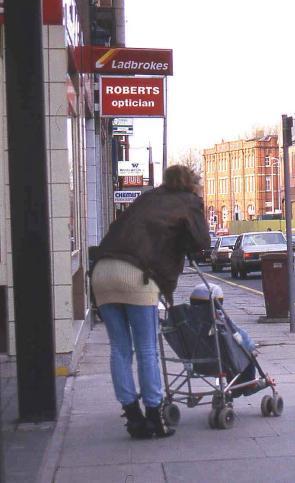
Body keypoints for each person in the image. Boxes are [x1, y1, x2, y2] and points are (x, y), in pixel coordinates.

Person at [91, 165, 211, 439]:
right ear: (192, 184)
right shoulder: (189, 202)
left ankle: (133, 417)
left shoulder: (147, 197)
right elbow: (202, 242)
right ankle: (155, 416)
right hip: (137, 275)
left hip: (102, 270)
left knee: (120, 349)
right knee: (147, 349)